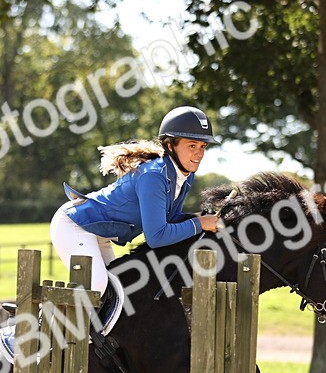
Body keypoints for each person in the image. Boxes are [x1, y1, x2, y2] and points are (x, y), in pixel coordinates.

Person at [51, 105, 222, 295]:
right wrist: (199, 223)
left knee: (117, 289)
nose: (199, 154)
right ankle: (44, 323)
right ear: (170, 145)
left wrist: (197, 218)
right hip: (75, 225)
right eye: (192, 145)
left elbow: (170, 219)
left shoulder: (185, 175)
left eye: (203, 146)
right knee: (97, 289)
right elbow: (157, 237)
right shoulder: (154, 176)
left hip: (99, 233)